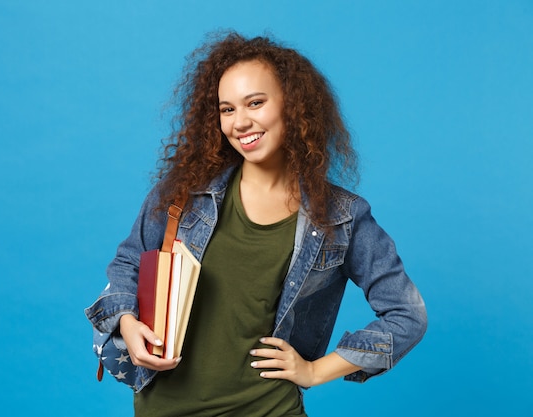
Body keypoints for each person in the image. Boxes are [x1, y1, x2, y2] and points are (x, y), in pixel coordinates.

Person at [85, 31, 427, 416]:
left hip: (267, 408)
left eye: (256, 103)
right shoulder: (184, 195)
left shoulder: (341, 216)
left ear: (292, 106)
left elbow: (407, 314)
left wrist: (315, 371)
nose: (240, 122)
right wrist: (128, 324)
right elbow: (128, 265)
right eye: (227, 109)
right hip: (164, 407)